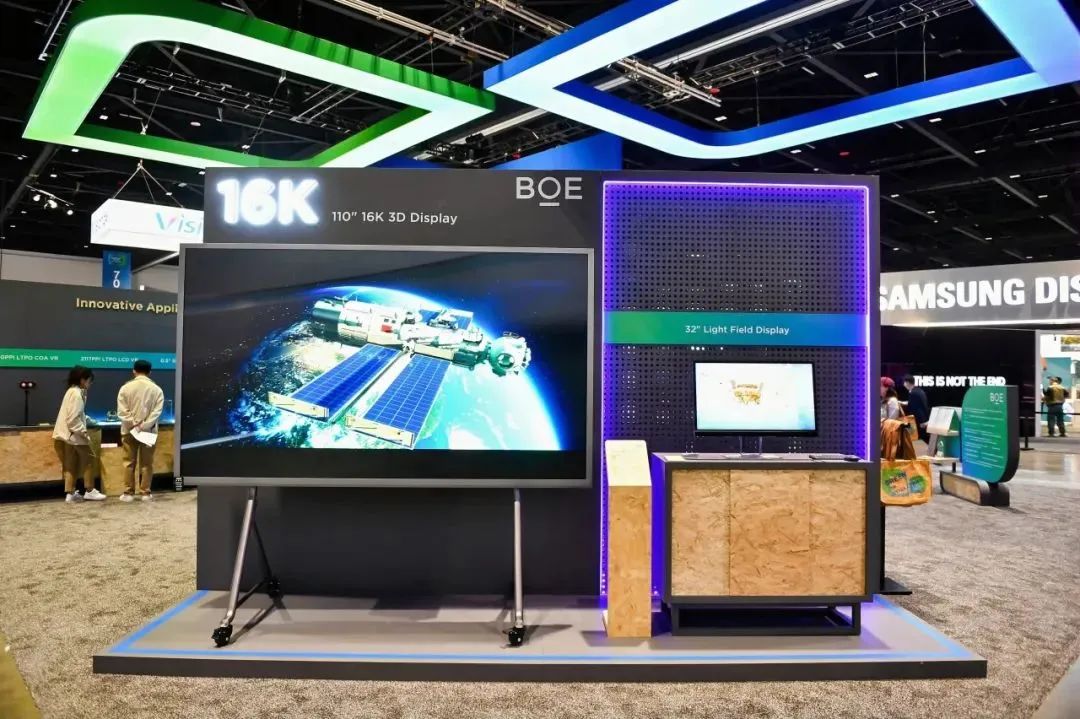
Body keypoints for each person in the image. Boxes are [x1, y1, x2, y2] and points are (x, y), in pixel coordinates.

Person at [53, 366, 106, 503]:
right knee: (89, 460)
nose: (90, 384)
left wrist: (86, 420)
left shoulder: (71, 391)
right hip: (75, 435)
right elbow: (73, 419)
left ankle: (70, 493)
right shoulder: (77, 394)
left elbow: (75, 414)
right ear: (83, 380)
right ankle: (90, 490)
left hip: (67, 435)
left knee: (71, 464)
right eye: (89, 380)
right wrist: (84, 432)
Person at [117, 359, 165, 502]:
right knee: (147, 463)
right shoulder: (157, 389)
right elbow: (157, 412)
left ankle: (128, 493)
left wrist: (133, 424)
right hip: (148, 431)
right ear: (150, 372)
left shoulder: (125, 388)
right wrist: (144, 425)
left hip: (129, 430)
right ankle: (145, 493)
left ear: (134, 371)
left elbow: (122, 411)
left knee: (128, 462)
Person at [903, 375, 930, 442]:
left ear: (907, 383)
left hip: (919, 421)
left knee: (919, 440)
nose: (904, 385)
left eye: (904, 382)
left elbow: (916, 409)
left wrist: (922, 422)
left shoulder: (913, 393)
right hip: (924, 419)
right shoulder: (919, 391)